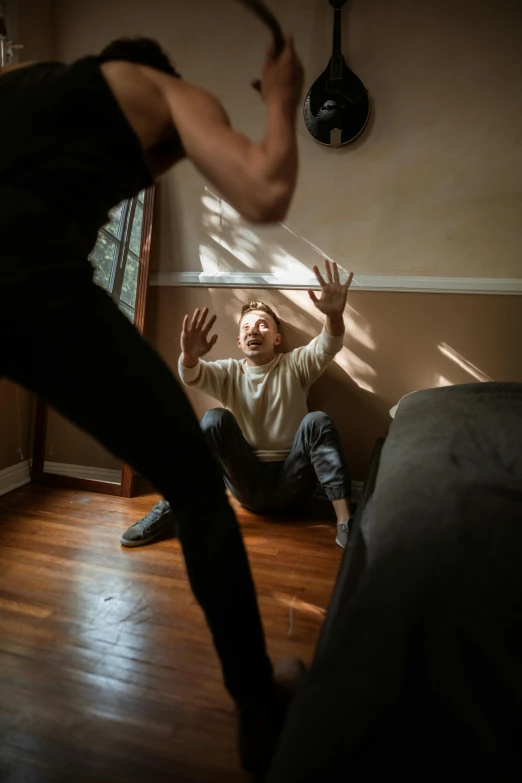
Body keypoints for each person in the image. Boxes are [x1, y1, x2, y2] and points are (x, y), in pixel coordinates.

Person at [0, 35, 305, 772]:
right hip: (28, 276)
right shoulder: (170, 94)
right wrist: (281, 101)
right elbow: (264, 193)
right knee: (199, 490)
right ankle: (259, 707)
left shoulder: (22, 78)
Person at [123, 260, 356, 550]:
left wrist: (334, 315)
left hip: (293, 483)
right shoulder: (229, 371)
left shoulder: (295, 364)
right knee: (214, 418)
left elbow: (328, 344)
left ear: (277, 338)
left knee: (317, 421)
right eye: (246, 327)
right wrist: (189, 356)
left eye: (262, 325)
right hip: (247, 484)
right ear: (239, 340)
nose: (253, 330)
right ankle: (170, 510)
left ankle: (346, 523)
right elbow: (192, 375)